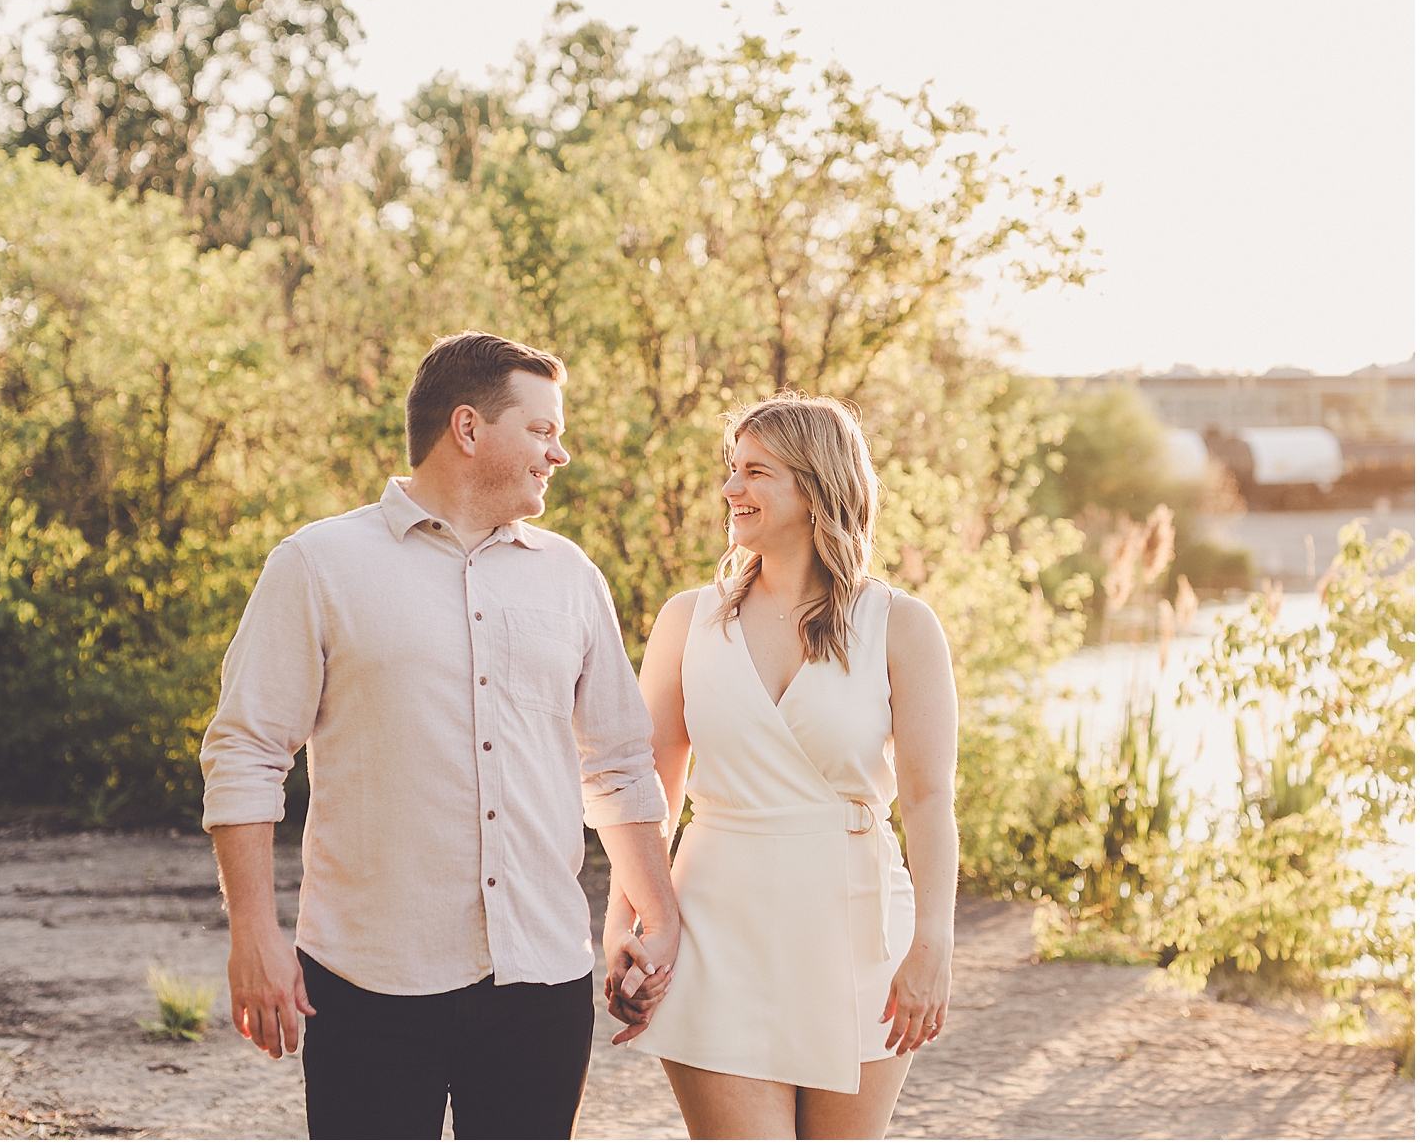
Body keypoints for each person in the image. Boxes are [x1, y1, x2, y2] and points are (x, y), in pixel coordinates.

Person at [200, 331, 679, 1141]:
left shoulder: (571, 578)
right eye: (542, 430)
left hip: (541, 980)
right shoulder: (317, 564)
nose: (559, 453)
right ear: (467, 428)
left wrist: (656, 916)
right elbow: (245, 754)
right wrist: (253, 933)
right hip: (367, 981)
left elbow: (621, 763)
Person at [611, 392, 959, 1141]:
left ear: (816, 486)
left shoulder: (900, 623)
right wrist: (623, 925)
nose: (731, 488)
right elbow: (643, 793)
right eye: (732, 469)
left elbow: (931, 798)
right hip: (715, 928)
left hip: (860, 930)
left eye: (755, 471)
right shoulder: (685, 621)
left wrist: (933, 940)